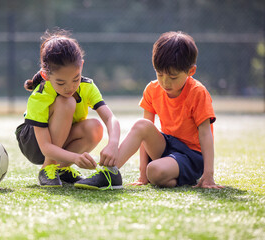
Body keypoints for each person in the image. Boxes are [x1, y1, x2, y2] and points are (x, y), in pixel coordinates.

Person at [77, 31, 224, 189]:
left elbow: (205, 133)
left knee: (153, 171)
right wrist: (142, 175)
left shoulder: (198, 92)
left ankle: (169, 174)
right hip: (167, 146)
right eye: (160, 74)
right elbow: (144, 135)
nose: (165, 82)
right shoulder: (152, 89)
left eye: (173, 77)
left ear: (191, 71)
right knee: (142, 125)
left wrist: (208, 175)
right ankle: (109, 173)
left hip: (191, 156)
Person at [15, 29, 122, 188]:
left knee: (95, 127)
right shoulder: (40, 96)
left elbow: (110, 118)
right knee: (67, 101)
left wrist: (113, 143)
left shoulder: (87, 86)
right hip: (34, 143)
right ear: (45, 76)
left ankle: (61, 169)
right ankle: (48, 167)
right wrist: (75, 158)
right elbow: (45, 147)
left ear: (82, 66)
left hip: (61, 140)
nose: (70, 87)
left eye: (75, 79)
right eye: (60, 83)